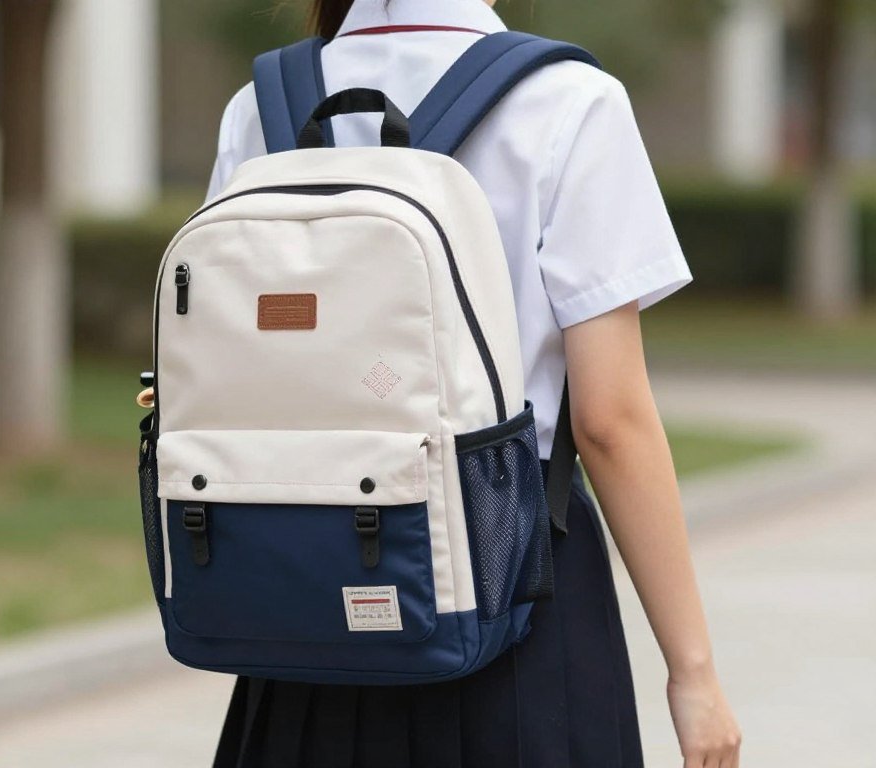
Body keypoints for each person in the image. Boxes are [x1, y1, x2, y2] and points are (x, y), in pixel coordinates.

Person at [207, 0, 742, 765]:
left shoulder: (260, 110)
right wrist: (694, 674)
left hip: (307, 592)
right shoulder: (567, 102)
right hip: (517, 592)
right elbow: (608, 422)